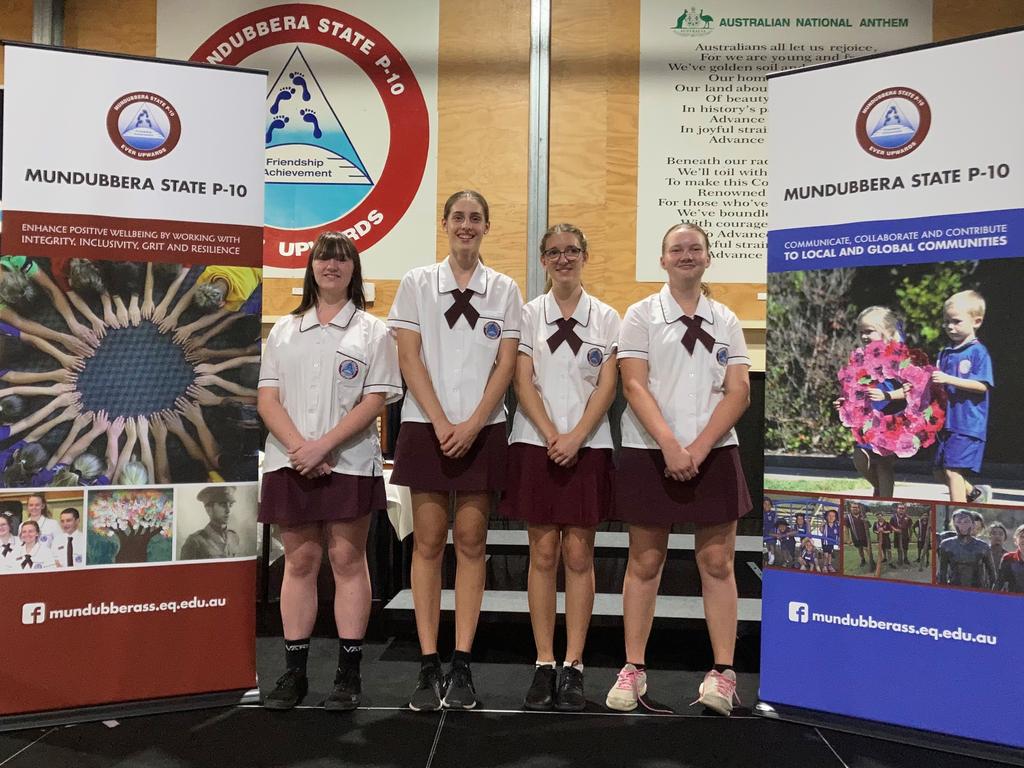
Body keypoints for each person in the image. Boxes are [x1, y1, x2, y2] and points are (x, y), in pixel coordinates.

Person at [606, 222, 751, 717]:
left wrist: (701, 446)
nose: (686, 255)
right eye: (676, 249)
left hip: (715, 451)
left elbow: (738, 391)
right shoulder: (641, 315)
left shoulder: (727, 319)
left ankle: (724, 674)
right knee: (645, 562)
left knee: (717, 563)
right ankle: (633, 668)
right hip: (652, 451)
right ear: (662, 260)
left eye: (695, 249)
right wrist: (670, 445)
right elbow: (634, 386)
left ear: (708, 258)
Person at [387, 190, 522, 711]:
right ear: (444, 224)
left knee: (470, 541)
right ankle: (427, 662)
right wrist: (443, 421)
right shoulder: (418, 283)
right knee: (426, 543)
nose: (466, 226)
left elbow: (505, 365)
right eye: (458, 217)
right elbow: (408, 354)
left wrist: (473, 423)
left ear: (487, 226)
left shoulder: (504, 289)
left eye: (475, 218)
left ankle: (462, 661)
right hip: (427, 424)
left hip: (483, 427)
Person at [258, 232, 402, 712]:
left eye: (342, 258)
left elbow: (376, 399)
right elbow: (267, 399)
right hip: (291, 461)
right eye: (324, 257)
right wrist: (302, 448)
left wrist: (324, 446)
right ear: (312, 267)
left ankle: (348, 675)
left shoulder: (373, 331)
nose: (332, 265)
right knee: (299, 563)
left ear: (354, 269)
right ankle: (293, 674)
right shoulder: (283, 330)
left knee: (346, 560)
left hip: (349, 462)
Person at [498, 223, 620, 712]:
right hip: (535, 444)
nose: (564, 259)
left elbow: (607, 387)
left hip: (589, 446)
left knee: (580, 556)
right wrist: (553, 434)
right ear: (543, 260)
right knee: (543, 553)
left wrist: (575, 437)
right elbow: (521, 381)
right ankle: (544, 662)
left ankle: (575, 665)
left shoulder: (608, 317)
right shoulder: (527, 315)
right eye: (554, 252)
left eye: (572, 251)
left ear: (585, 255)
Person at [837, 307, 906, 498]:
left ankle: (884, 500)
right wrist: (845, 403)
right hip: (868, 420)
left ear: (886, 331)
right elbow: (855, 388)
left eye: (869, 331)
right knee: (860, 457)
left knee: (884, 463)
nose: (864, 336)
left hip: (891, 419)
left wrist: (888, 396)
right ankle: (882, 491)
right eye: (861, 332)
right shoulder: (861, 357)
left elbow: (912, 390)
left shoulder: (898, 357)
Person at [931, 291, 993, 504]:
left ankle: (957, 513)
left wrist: (949, 379)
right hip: (947, 423)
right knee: (939, 472)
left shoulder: (978, 352)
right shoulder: (946, 352)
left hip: (967, 423)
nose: (950, 326)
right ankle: (975, 495)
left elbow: (981, 386)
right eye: (946, 322)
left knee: (952, 471)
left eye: (956, 321)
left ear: (977, 321)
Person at [937, 509, 995, 589]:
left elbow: (992, 574)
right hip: (954, 589)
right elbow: (942, 573)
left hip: (978, 590)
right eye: (959, 522)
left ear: (973, 524)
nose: (963, 525)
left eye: (966, 522)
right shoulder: (946, 545)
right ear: (953, 524)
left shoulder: (983, 547)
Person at [179, 486, 240, 560]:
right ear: (209, 510)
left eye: (230, 505)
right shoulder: (195, 542)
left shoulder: (234, 537)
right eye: (223, 505)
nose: (228, 511)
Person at [993, 524, 1024, 593]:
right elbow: (999, 583)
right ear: (1015, 540)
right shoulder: (1008, 558)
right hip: (1013, 601)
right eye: (1022, 537)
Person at [846, 502, 872, 569]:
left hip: (865, 536)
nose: (855, 509)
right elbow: (846, 529)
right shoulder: (848, 517)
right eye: (853, 507)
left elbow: (869, 526)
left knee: (867, 549)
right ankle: (863, 560)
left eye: (856, 507)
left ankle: (871, 560)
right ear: (850, 508)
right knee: (860, 549)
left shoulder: (863, 515)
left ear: (859, 508)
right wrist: (848, 539)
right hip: (856, 537)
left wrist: (866, 521)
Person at [821, 508, 840, 573]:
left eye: (833, 516)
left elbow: (839, 534)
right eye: (829, 516)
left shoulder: (837, 525)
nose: (831, 517)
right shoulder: (825, 525)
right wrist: (821, 526)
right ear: (826, 517)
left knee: (830, 554)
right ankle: (824, 566)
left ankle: (829, 565)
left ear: (835, 517)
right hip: (825, 542)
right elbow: (821, 531)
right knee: (825, 554)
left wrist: (838, 542)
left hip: (832, 542)